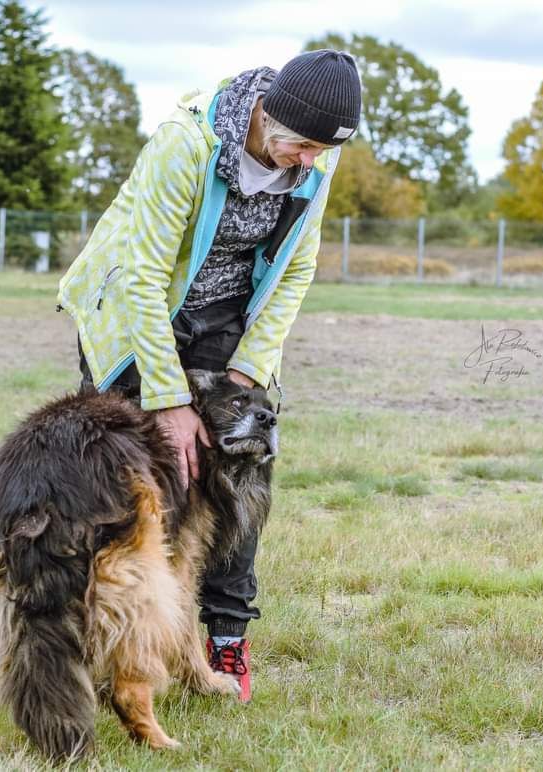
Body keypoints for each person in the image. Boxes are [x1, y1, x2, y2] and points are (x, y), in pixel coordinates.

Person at [57, 49, 362, 702]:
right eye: (304, 146)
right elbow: (141, 275)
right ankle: (92, 638)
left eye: (322, 151)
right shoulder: (187, 145)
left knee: (238, 472)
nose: (312, 162)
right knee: (120, 484)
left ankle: (226, 635)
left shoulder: (314, 159)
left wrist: (249, 371)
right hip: (137, 313)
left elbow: (297, 269)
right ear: (270, 116)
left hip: (226, 321)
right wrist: (169, 403)